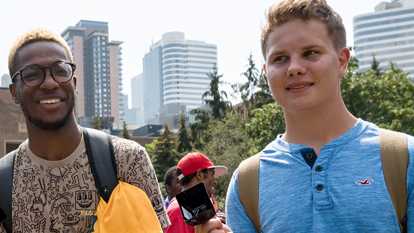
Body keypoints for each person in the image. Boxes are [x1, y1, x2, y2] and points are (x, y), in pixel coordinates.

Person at [0, 27, 169, 233]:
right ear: (14, 91)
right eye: (32, 74)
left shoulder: (127, 160)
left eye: (60, 71)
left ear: (73, 83)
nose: (49, 83)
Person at [223, 0, 414, 232]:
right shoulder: (247, 183)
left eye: (310, 52)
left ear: (342, 61)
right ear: (266, 72)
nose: (294, 68)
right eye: (280, 58)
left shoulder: (404, 159)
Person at [165, 152, 228, 233]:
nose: (215, 182)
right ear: (199, 175)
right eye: (212, 175)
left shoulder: (200, 206)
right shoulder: (178, 212)